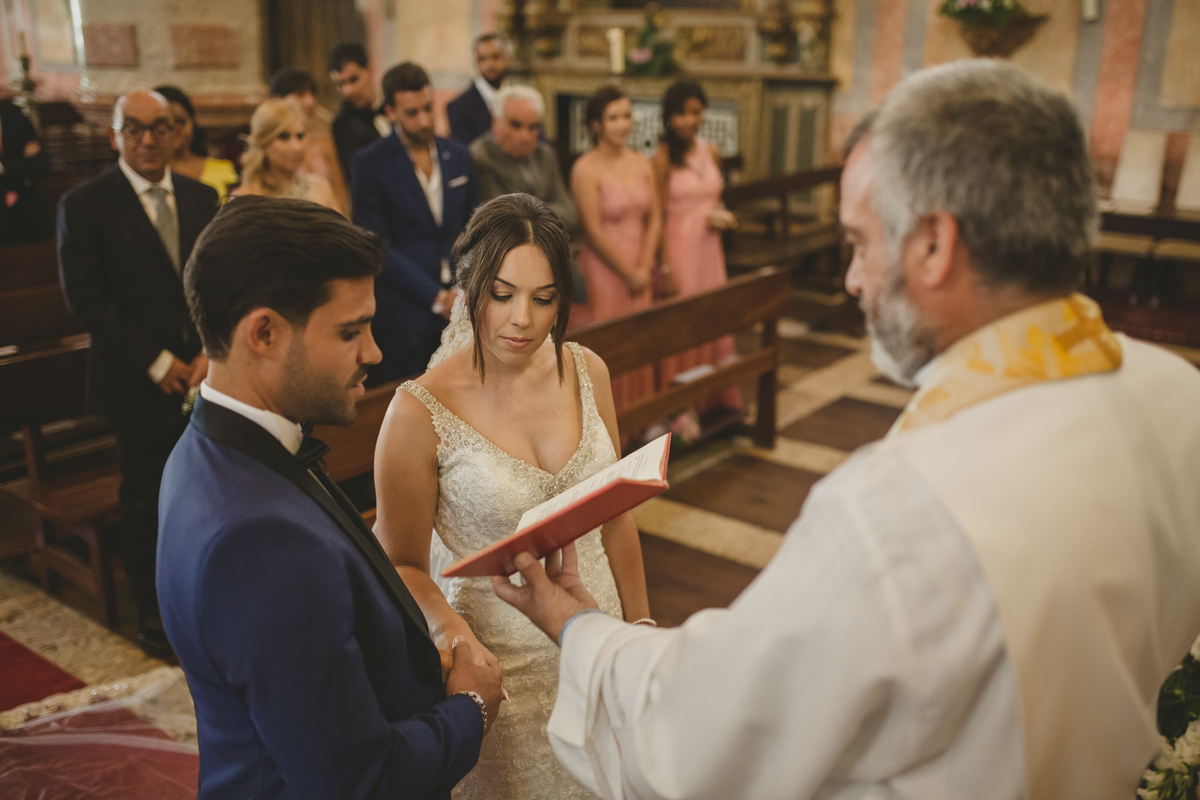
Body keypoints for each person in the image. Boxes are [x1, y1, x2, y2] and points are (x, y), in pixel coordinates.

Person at [494, 60, 1200, 800]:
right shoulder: (1177, 396)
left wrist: (579, 627)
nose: (853, 280)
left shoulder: (897, 511)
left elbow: (704, 734)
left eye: (860, 243)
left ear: (934, 245)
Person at [158, 195, 504, 799]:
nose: (373, 352)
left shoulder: (206, 449)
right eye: (350, 331)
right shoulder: (258, 541)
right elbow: (357, 780)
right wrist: (470, 708)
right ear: (264, 333)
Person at [373, 193, 650, 800]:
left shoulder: (588, 371)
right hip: (500, 663)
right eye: (502, 294)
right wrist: (457, 639)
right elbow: (400, 564)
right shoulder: (418, 411)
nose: (522, 319)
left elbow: (616, 519)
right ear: (469, 287)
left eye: (543, 299)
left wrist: (641, 633)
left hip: (598, 636)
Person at [58, 90, 219, 658]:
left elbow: (214, 280)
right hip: (135, 380)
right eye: (134, 129)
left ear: (177, 133)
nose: (147, 139)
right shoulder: (86, 204)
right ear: (115, 135)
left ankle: (204, 596)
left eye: (159, 127)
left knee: (206, 491)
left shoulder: (201, 197)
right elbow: (87, 300)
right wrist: (158, 361)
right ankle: (153, 612)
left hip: (202, 373)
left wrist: (209, 350)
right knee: (148, 498)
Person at [352, 62, 478, 380]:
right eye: (412, 113)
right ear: (391, 112)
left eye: (427, 108)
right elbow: (376, 244)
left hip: (462, 303)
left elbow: (474, 227)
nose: (423, 120)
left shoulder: (459, 156)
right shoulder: (369, 164)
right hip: (404, 312)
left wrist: (463, 289)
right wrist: (435, 296)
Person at [651, 81, 740, 440]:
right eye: (681, 113)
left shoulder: (711, 151)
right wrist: (665, 266)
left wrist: (721, 214)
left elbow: (712, 198)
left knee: (712, 317)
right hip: (679, 251)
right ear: (669, 117)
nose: (689, 119)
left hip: (709, 250)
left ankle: (712, 397)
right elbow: (657, 216)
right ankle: (680, 405)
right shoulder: (661, 159)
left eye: (695, 112)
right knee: (683, 326)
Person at [571, 86, 660, 410]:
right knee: (609, 351)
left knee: (640, 342)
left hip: (641, 265)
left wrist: (644, 266)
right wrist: (628, 272)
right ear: (596, 124)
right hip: (605, 270)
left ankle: (640, 413)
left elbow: (655, 217)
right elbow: (592, 231)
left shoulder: (642, 162)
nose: (623, 124)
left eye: (626, 116)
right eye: (613, 118)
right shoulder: (585, 168)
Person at [471, 84, 578, 236]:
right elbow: (504, 221)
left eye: (533, 127)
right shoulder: (481, 157)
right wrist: (546, 212)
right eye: (515, 125)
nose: (525, 136)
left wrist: (529, 216)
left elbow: (570, 214)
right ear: (495, 122)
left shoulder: (545, 154)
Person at [231, 98, 341, 214]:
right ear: (263, 143)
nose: (296, 147)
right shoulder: (244, 199)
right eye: (283, 137)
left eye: (300, 136)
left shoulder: (321, 188)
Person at [269, 67, 350, 216]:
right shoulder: (270, 146)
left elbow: (340, 192)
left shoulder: (324, 142)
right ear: (277, 99)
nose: (310, 101)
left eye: (312, 94)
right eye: (300, 94)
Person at [154, 85, 239, 201]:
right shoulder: (151, 171)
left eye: (181, 122)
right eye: (166, 125)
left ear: (192, 122)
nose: (176, 130)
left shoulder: (222, 169)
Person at [329, 42, 390, 181]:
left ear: (370, 69)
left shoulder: (392, 105)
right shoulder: (343, 124)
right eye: (340, 84)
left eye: (353, 79)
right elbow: (360, 175)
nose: (348, 91)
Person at [0, 100, 52, 245]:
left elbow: (41, 164)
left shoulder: (17, 120)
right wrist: (21, 164)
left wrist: (4, 167)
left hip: (24, 210)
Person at [447, 33, 509, 145]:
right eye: (483, 59)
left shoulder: (521, 100)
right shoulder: (458, 108)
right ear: (476, 63)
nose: (490, 64)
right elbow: (462, 151)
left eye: (495, 57)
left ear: (506, 58)